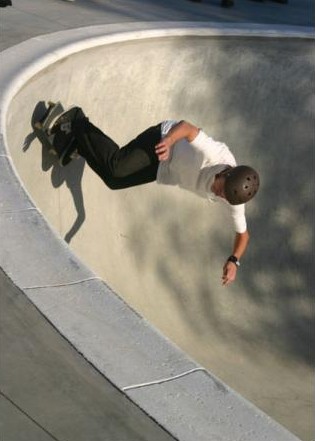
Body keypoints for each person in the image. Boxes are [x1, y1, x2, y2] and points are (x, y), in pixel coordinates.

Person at [48, 106, 260, 286]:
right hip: (162, 140)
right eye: (220, 188)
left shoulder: (233, 197)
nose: (218, 194)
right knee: (117, 167)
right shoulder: (213, 154)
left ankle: (80, 143)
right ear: (226, 173)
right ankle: (77, 121)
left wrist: (234, 260)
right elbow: (187, 127)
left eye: (222, 196)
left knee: (114, 181)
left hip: (166, 169)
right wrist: (168, 141)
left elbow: (243, 235)